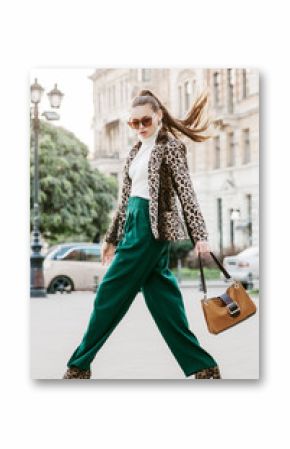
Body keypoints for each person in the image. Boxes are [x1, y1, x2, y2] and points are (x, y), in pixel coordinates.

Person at [63, 89, 222, 380]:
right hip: (135, 222)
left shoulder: (170, 148)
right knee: (164, 301)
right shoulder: (135, 151)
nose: (140, 127)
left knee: (109, 293)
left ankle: (79, 365)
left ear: (158, 116)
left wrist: (200, 235)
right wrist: (111, 239)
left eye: (145, 121)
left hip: (152, 229)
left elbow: (186, 193)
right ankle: (204, 367)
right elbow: (124, 202)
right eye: (133, 123)